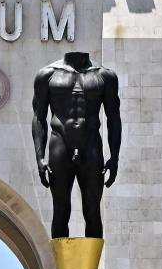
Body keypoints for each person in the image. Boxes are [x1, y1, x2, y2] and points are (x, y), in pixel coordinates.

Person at [31, 51, 121, 239]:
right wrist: (39, 157)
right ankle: (62, 268)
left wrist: (115, 156)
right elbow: (39, 117)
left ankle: (90, 268)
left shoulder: (105, 76)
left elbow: (114, 118)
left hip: (91, 146)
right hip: (60, 144)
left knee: (93, 211)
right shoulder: (47, 75)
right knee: (61, 210)